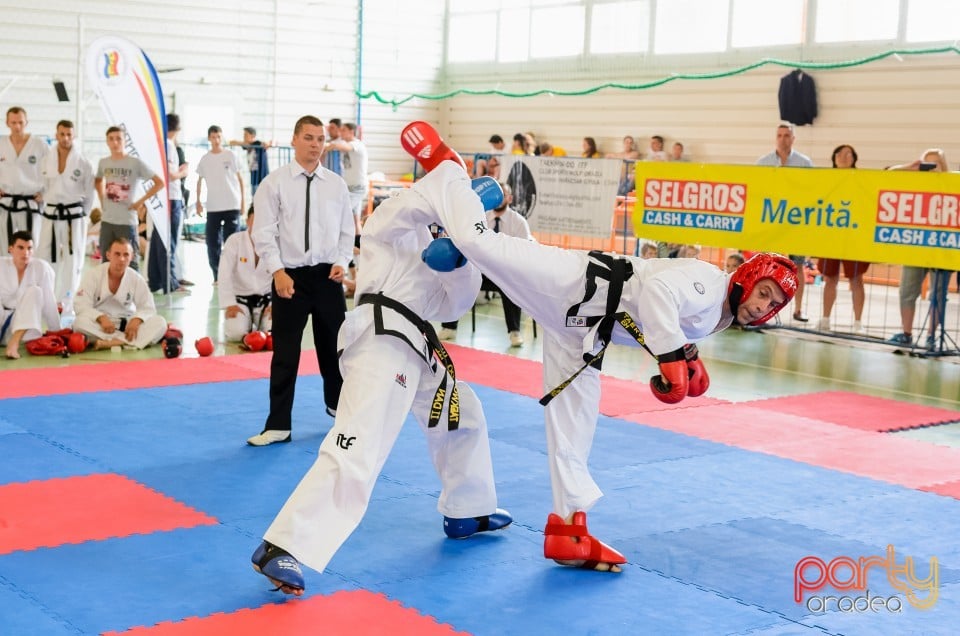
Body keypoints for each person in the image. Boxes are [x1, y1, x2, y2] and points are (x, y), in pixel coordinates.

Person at [401, 124, 799, 572]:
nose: (765, 307)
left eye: (775, 305)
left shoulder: (717, 311)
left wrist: (686, 354)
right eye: (765, 294)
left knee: (575, 428)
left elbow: (662, 316)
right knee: (483, 242)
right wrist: (671, 356)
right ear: (748, 278)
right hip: (574, 282)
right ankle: (448, 168)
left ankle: (568, 530)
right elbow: (657, 297)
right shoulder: (710, 285)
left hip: (583, 331)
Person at [249, 174, 512, 596]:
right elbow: (420, 199)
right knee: (360, 443)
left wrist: (461, 258)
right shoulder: (395, 221)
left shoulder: (447, 241)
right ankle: (282, 544)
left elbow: (455, 306)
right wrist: (457, 193)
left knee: (463, 415)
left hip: (420, 346)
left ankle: (468, 508)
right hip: (381, 338)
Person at [246, 115, 354, 447]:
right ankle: (278, 424)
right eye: (308, 138)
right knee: (286, 354)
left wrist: (341, 261)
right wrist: (277, 270)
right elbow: (263, 232)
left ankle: (340, 412)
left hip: (327, 276)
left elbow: (347, 231)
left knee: (336, 351)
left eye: (320, 139)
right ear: (294, 140)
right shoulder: (274, 183)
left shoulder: (336, 184)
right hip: (289, 277)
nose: (315, 145)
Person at [437, 182, 534, 347]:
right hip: (481, 270)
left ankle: (514, 331)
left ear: (510, 198)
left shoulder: (518, 222)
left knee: (510, 286)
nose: (499, 198)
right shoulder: (481, 217)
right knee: (460, 281)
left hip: (504, 273)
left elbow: (523, 254)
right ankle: (449, 327)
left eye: (503, 194)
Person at [887, 149, 953, 349]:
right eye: (927, 165)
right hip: (915, 247)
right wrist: (910, 168)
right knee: (907, 290)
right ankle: (906, 333)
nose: (931, 169)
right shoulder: (913, 183)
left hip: (943, 247)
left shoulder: (952, 184)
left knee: (938, 294)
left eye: (936, 164)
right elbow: (886, 175)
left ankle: (932, 336)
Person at [756, 123, 813, 322]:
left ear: (793, 138)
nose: (783, 138)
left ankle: (798, 309)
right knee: (769, 266)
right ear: (775, 138)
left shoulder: (805, 163)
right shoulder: (763, 162)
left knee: (797, 267)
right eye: (779, 135)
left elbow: (812, 191)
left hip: (796, 223)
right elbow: (757, 190)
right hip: (771, 223)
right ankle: (764, 310)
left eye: (787, 135)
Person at [39, 119, 94, 321]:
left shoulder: (83, 162)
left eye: (69, 135)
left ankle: (68, 302)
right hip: (51, 214)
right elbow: (43, 186)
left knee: (74, 259)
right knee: (45, 256)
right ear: (56, 134)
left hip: (74, 216)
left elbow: (90, 194)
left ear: (74, 136)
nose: (65, 138)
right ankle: (48, 299)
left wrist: (82, 214)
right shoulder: (47, 160)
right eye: (62, 134)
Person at [73, 236, 168, 350]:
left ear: (131, 257)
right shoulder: (93, 275)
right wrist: (100, 317)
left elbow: (148, 308)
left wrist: (136, 320)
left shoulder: (135, 278)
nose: (122, 259)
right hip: (100, 326)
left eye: (126, 255)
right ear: (108, 255)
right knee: (79, 324)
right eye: (117, 254)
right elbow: (81, 304)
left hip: (127, 325)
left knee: (160, 322)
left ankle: (112, 342)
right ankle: (127, 342)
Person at [94, 126, 164, 271]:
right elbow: (98, 180)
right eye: (111, 139)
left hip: (127, 220)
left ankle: (133, 293)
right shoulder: (103, 162)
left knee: (131, 261)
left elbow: (159, 183)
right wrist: (102, 201)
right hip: (108, 220)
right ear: (107, 141)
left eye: (119, 138)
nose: (115, 142)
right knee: (106, 261)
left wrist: (140, 201)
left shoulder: (134, 163)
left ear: (125, 141)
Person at [817, 144, 869, 335]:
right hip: (832, 236)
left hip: (854, 237)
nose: (844, 157)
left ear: (854, 158)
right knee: (830, 279)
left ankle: (857, 322)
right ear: (834, 158)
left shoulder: (862, 179)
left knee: (856, 279)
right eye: (840, 153)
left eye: (848, 154)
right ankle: (825, 319)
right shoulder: (826, 180)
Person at [196, 125, 245, 282]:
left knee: (232, 242)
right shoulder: (205, 159)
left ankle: (234, 275)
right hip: (213, 206)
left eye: (219, 137)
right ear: (209, 138)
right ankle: (217, 275)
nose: (216, 140)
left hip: (232, 204)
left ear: (221, 137)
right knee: (212, 242)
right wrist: (198, 201)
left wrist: (243, 202)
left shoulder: (231, 155)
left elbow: (240, 179)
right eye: (213, 137)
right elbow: (199, 180)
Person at [0, 231, 60, 359]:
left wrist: (56, 332)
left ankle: (14, 344)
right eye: (20, 248)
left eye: (29, 248)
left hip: (24, 329)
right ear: (11, 249)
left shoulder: (41, 268)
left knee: (35, 291)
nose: (25, 253)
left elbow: (49, 302)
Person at [148, 113, 188, 293]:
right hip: (171, 197)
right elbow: (171, 175)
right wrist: (183, 172)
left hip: (161, 197)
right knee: (168, 241)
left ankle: (156, 280)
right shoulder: (169, 146)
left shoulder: (157, 145)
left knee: (158, 239)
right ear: (178, 129)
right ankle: (169, 283)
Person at [219, 206, 272, 341]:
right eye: (255, 220)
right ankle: (248, 331)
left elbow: (283, 276)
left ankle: (264, 329)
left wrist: (277, 305)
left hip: (267, 301)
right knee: (235, 332)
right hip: (240, 301)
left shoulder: (274, 243)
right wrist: (229, 303)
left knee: (276, 332)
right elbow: (224, 274)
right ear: (247, 221)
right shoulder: (234, 241)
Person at [0, 107, 48, 251]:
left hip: (30, 204)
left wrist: (45, 194)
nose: (17, 126)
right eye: (13, 123)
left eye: (20, 122)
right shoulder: (1, 143)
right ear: (7, 123)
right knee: (5, 248)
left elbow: (53, 172)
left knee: (30, 248)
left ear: (27, 122)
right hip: (6, 203)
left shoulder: (39, 145)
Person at [324, 122, 368, 238]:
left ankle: (339, 242)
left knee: (340, 213)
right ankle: (359, 245)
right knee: (355, 219)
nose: (340, 132)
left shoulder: (357, 145)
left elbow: (344, 147)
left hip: (358, 187)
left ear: (351, 132)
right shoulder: (343, 143)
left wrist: (331, 146)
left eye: (343, 130)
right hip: (350, 187)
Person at [229, 127, 271, 194]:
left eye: (246, 135)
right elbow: (232, 142)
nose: (244, 137)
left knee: (261, 196)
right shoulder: (247, 146)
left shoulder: (257, 143)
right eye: (244, 135)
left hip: (262, 176)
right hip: (254, 177)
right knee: (254, 196)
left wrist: (268, 144)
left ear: (252, 136)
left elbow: (265, 144)